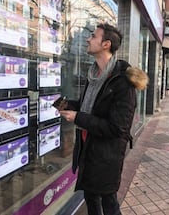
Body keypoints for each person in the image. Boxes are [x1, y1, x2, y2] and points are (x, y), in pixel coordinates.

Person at [58, 23, 148, 215]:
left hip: (107, 155)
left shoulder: (122, 82)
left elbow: (118, 128)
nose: (88, 39)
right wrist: (70, 105)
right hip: (87, 149)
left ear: (106, 44)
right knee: (91, 199)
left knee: (109, 203)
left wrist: (78, 117)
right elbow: (93, 107)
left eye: (93, 36)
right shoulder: (94, 74)